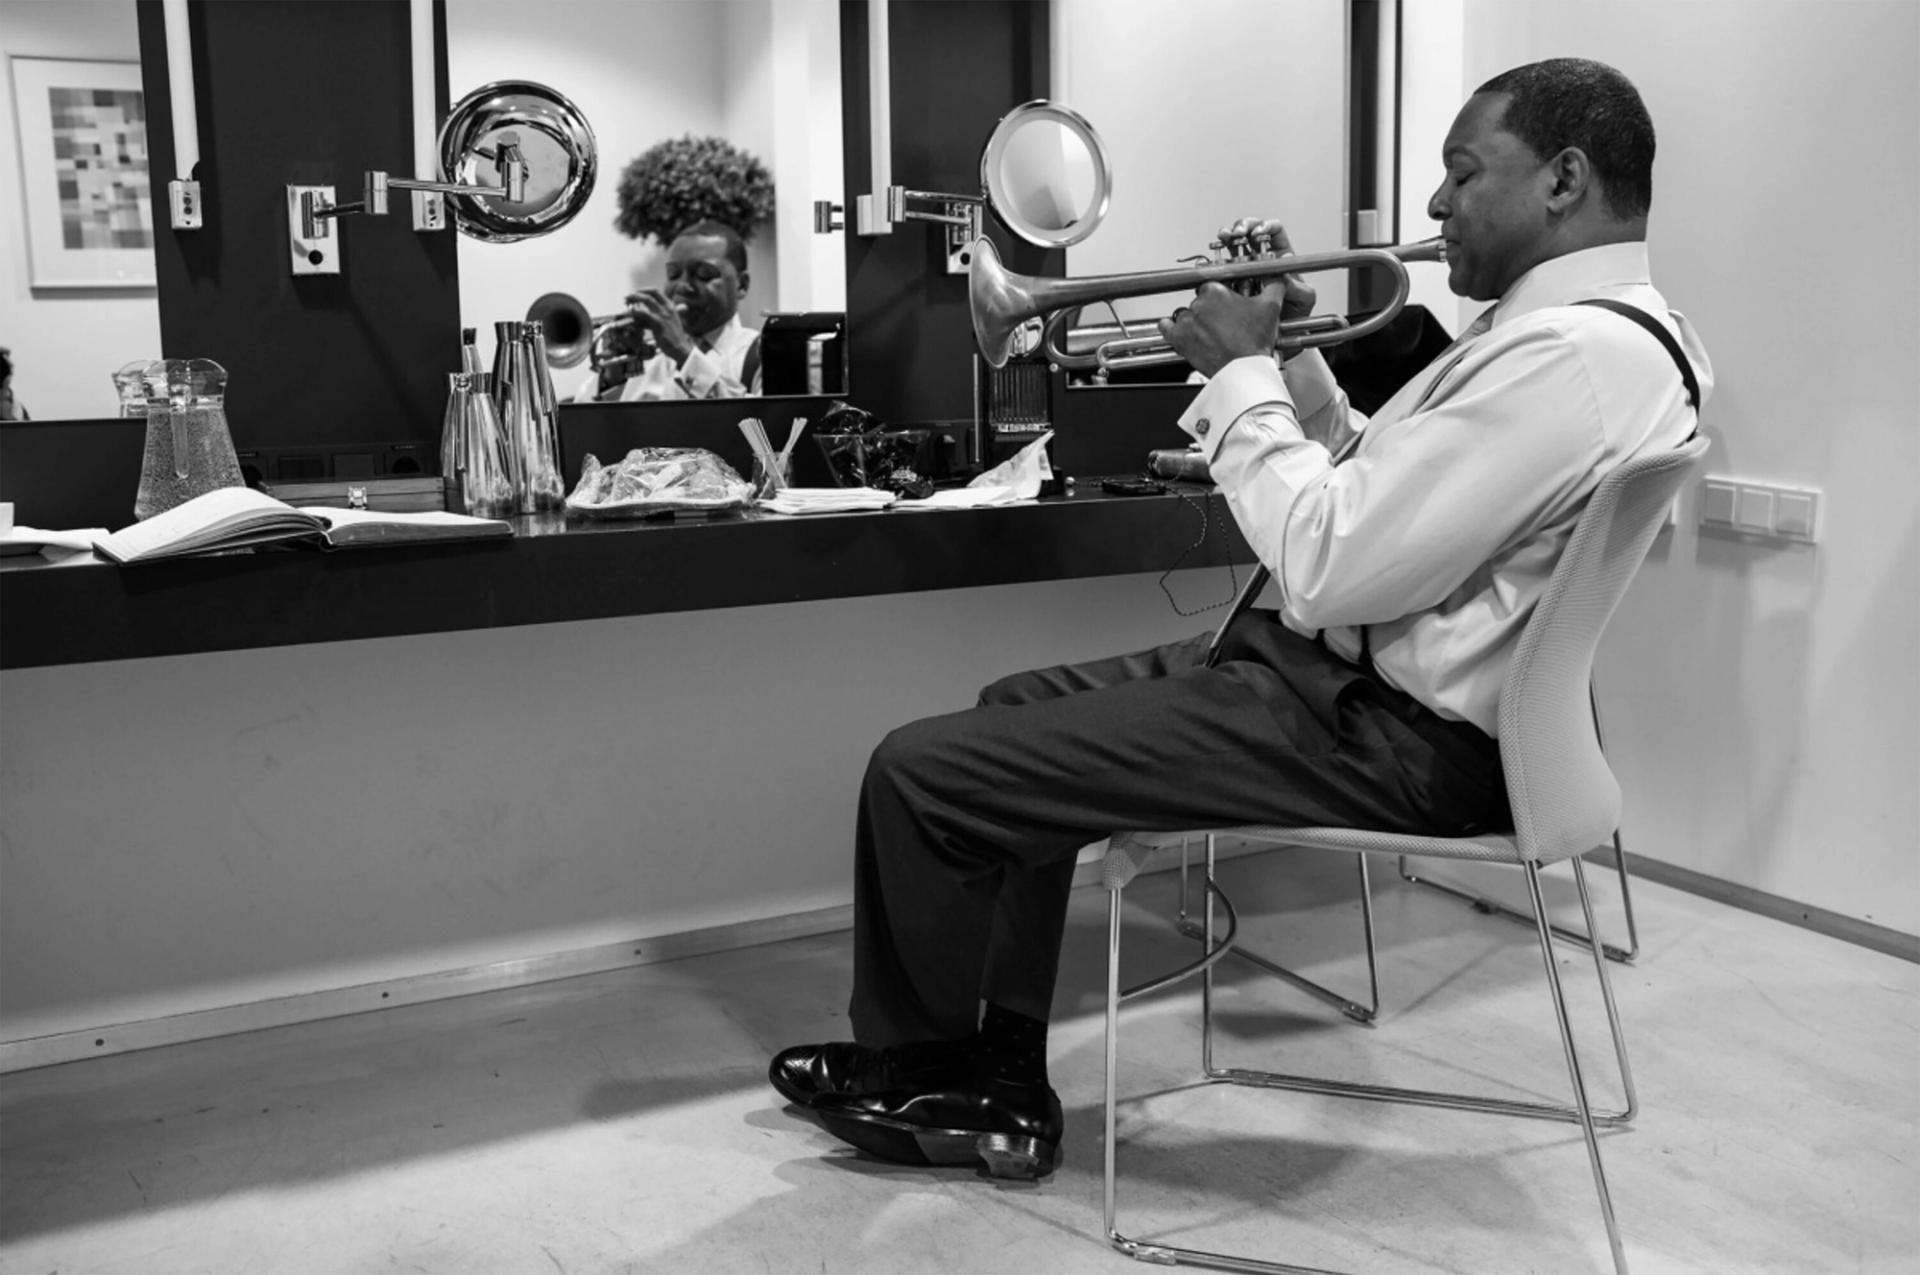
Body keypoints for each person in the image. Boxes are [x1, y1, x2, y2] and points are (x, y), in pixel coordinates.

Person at [768, 57, 1711, 1180]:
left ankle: (925, 1072)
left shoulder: (1568, 357)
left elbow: (1330, 564)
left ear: (1564, 179)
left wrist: (1240, 374)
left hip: (1385, 731)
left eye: (1463, 173)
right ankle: (996, 1067)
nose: (1435, 202)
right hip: (1361, 694)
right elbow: (1384, 496)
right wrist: (1293, 361)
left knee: (923, 772)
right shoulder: (1603, 338)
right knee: (1009, 708)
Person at [571, 219, 761, 402]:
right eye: (673, 274)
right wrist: (613, 377)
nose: (683, 286)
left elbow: (756, 420)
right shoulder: (649, 358)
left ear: (742, 285)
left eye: (703, 274)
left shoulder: (762, 354)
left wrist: (684, 354)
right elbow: (581, 419)